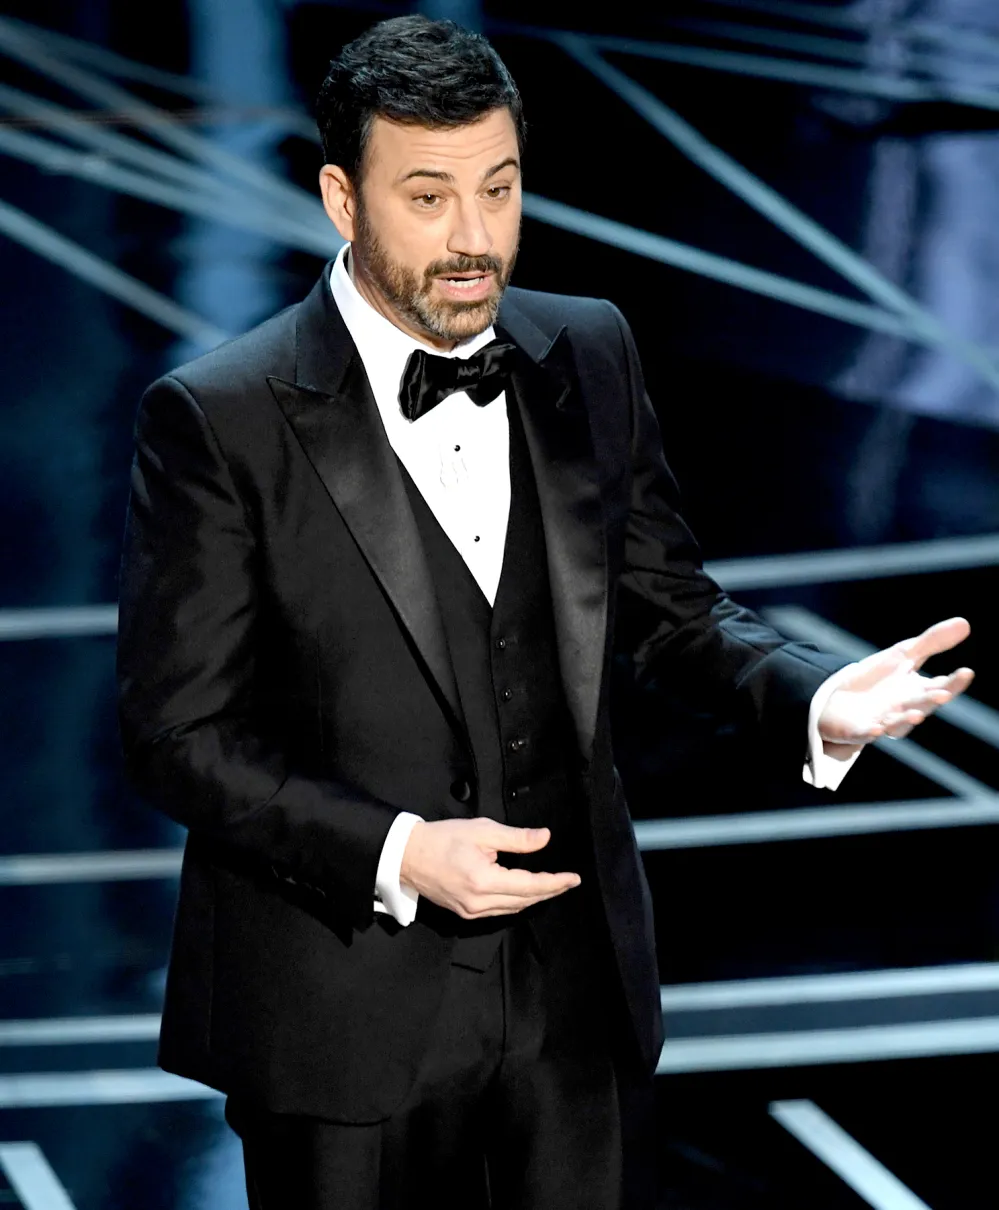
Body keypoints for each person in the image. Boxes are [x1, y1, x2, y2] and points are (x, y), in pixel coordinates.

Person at [116, 15, 975, 1210]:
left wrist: (811, 694)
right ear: (342, 200)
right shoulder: (220, 416)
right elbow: (178, 734)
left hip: (573, 1004)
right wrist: (400, 851)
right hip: (339, 1009)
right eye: (429, 198)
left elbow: (666, 605)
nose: (475, 239)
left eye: (500, 188)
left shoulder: (589, 348)